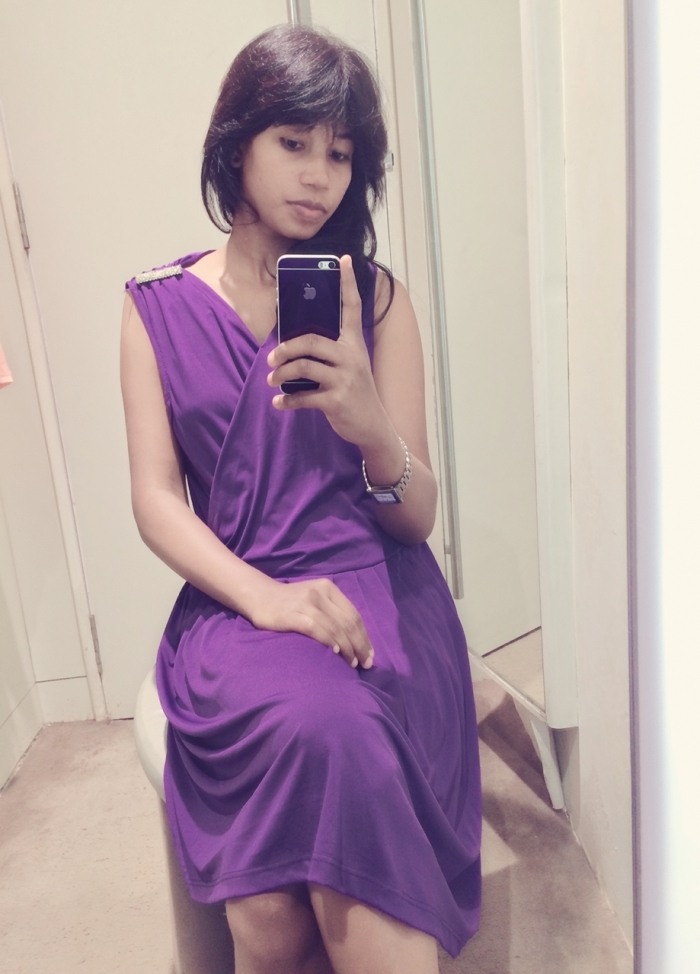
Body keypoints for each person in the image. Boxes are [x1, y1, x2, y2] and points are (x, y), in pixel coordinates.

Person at [121, 24, 481, 974]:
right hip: (243, 601)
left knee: (330, 756)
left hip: (380, 591)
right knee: (274, 905)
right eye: (293, 142)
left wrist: (371, 426)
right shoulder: (155, 306)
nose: (319, 176)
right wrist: (269, 600)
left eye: (341, 153)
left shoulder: (377, 300)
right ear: (236, 140)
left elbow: (416, 515)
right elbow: (156, 499)